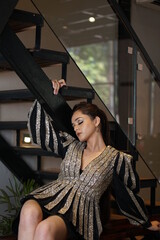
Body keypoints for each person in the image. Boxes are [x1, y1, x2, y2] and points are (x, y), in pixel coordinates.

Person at [16, 79, 160, 240]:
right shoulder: (70, 145)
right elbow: (40, 134)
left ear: (96, 121)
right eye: (74, 125)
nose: (76, 128)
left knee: (45, 229)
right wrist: (46, 92)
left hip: (78, 213)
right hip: (51, 196)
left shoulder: (116, 159)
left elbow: (126, 195)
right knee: (28, 210)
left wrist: (146, 223)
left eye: (80, 122)